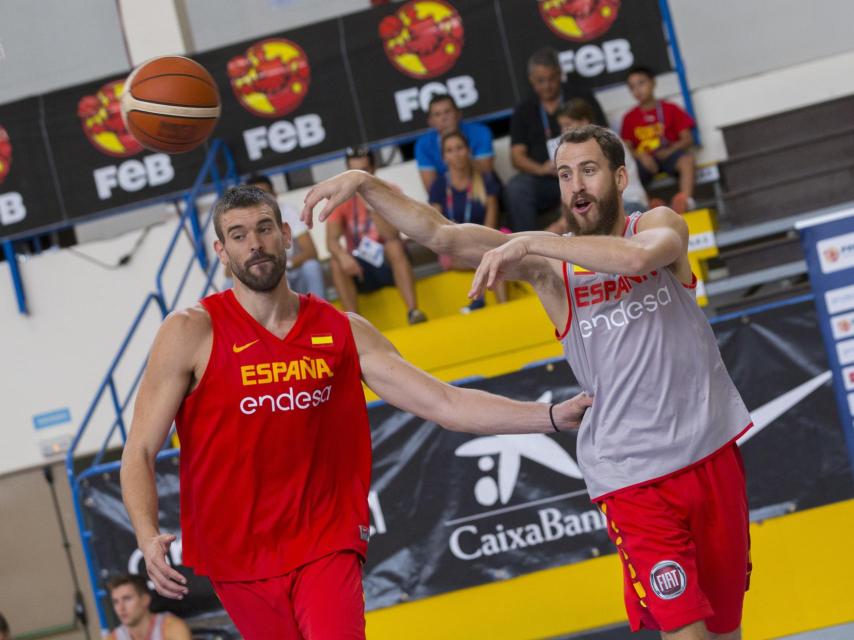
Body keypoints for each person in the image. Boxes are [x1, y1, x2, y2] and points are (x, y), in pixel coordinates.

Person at [303, 124, 753, 640]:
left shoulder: (655, 225)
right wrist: (365, 182)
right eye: (565, 175)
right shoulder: (550, 269)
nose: (576, 187)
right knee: (687, 633)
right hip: (633, 478)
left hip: (711, 455)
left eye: (588, 170)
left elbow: (636, 259)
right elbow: (441, 234)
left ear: (620, 176)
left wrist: (528, 241)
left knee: (726, 632)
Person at [120, 183, 592, 640]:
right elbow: (139, 448)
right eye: (238, 235)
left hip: (325, 539)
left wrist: (550, 416)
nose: (255, 244)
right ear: (222, 254)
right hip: (238, 552)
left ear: (286, 236)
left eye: (264, 228)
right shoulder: (190, 332)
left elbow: (444, 402)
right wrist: (146, 534)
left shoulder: (342, 330)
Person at [505, 47, 606, 232]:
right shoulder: (524, 109)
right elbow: (516, 156)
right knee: (516, 188)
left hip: (583, 171)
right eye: (540, 81)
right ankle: (527, 247)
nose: (547, 85)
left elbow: (603, 135)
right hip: (547, 179)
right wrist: (541, 168)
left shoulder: (580, 96)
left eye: (551, 79)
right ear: (531, 80)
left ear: (560, 74)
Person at [327, 145, 427, 324]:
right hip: (361, 266)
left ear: (373, 169)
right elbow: (331, 241)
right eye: (353, 171)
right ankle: (354, 325)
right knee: (336, 262)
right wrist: (343, 257)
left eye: (363, 170)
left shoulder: (390, 190)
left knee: (394, 246)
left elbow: (392, 235)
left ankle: (413, 312)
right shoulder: (341, 196)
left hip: (389, 261)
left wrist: (371, 203)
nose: (357, 176)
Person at [428, 130, 505, 312]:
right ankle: (484, 300)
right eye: (450, 150)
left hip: (485, 241)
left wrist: (479, 245)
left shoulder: (486, 178)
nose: (456, 154)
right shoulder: (439, 186)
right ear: (444, 157)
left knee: (495, 253)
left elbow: (491, 223)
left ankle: (501, 306)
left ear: (468, 150)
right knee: (490, 258)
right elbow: (435, 227)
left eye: (460, 148)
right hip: (455, 248)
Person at [547, 99, 648, 226]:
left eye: (568, 125)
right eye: (561, 126)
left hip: (629, 202)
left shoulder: (604, 142)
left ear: (584, 122)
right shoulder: (576, 147)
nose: (563, 131)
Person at [621, 66, 697, 214]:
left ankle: (685, 200)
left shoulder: (671, 108)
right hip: (645, 161)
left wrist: (670, 150)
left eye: (641, 83)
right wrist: (641, 156)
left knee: (687, 160)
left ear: (653, 83)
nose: (637, 90)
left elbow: (687, 139)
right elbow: (626, 148)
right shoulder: (629, 118)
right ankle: (649, 206)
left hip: (668, 155)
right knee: (625, 173)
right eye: (632, 87)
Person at [246, 173, 325, 300]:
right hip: (265, 274)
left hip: (291, 268)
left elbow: (311, 252)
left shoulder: (289, 211)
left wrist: (284, 265)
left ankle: (322, 315)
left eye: (264, 194)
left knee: (311, 266)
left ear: (275, 194)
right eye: (255, 197)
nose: (260, 200)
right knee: (230, 283)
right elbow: (230, 270)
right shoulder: (242, 221)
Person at [415, 94, 495, 192]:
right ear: (430, 121)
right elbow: (432, 190)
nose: (444, 118)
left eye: (447, 112)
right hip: (448, 197)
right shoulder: (423, 145)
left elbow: (486, 174)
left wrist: (457, 149)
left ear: (458, 114)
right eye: (437, 114)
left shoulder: (481, 132)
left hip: (481, 190)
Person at [106, 574, 191, 640]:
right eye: (116, 602)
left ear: (145, 600)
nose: (121, 608)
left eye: (127, 599)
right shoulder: (112, 638)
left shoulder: (172, 628)